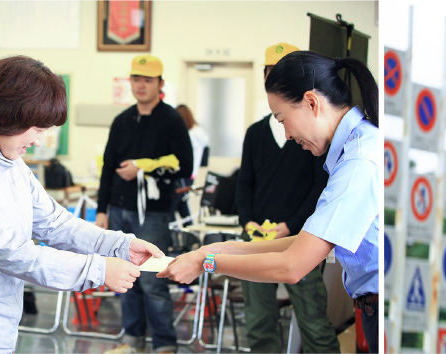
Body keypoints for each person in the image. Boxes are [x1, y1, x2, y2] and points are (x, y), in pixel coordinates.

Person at [0, 56, 163, 353]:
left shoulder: (8, 161)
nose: (40, 141)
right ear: (9, 115)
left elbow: (55, 222)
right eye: (37, 129)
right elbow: (10, 252)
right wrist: (99, 270)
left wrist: (120, 245)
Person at [159, 50, 382, 352]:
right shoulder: (354, 150)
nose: (288, 134)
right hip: (372, 305)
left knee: (314, 327)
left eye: (283, 119)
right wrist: (217, 249)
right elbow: (299, 244)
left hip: (380, 308)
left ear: (312, 102)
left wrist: (206, 262)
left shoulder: (358, 162)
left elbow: (292, 265)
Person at [232, 42, 339, 354]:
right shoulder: (255, 133)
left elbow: (322, 187)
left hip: (302, 236)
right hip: (256, 238)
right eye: (270, 74)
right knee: (258, 321)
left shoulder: (315, 133)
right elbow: (244, 183)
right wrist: (248, 222)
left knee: (314, 320)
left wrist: (290, 225)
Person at [97, 54, 192, 354]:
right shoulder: (122, 120)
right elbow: (108, 168)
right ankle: (132, 341)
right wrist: (102, 210)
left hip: (152, 213)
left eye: (147, 80)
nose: (140, 85)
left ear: (160, 84)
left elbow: (184, 164)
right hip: (119, 210)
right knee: (125, 279)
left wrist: (144, 166)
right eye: (136, 79)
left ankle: (165, 344)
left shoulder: (172, 119)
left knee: (153, 281)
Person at [173, 104, 207, 227]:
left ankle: (184, 238)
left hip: (184, 174)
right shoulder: (199, 132)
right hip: (191, 174)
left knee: (174, 206)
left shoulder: (191, 135)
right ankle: (190, 238)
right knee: (183, 206)